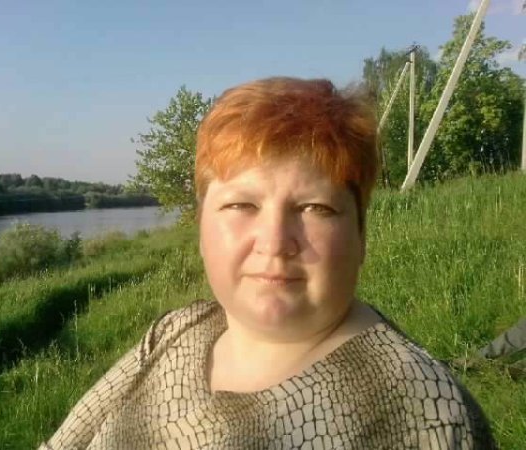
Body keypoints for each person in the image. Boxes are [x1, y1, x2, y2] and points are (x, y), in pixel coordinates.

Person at [39, 77, 496, 449]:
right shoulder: (173, 333)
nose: (275, 243)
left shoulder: (428, 420)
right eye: (241, 205)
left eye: (315, 208)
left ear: (360, 236)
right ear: (201, 229)